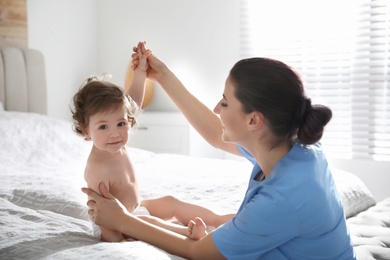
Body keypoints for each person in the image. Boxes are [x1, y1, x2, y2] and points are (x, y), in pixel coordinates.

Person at [82, 46, 356, 259]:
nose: (216, 109)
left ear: (253, 121)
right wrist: (163, 75)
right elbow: (215, 134)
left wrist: (124, 221)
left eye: (224, 102)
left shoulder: (281, 199)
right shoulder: (290, 141)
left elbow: (199, 253)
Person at [72, 42, 232, 242]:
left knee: (170, 202)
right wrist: (117, 240)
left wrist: (140, 71)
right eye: (103, 127)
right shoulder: (97, 168)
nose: (115, 133)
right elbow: (101, 214)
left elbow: (134, 102)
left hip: (135, 209)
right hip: (117, 224)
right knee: (151, 223)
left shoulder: (112, 142)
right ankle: (187, 234)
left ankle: (217, 220)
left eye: (121, 123)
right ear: (86, 129)